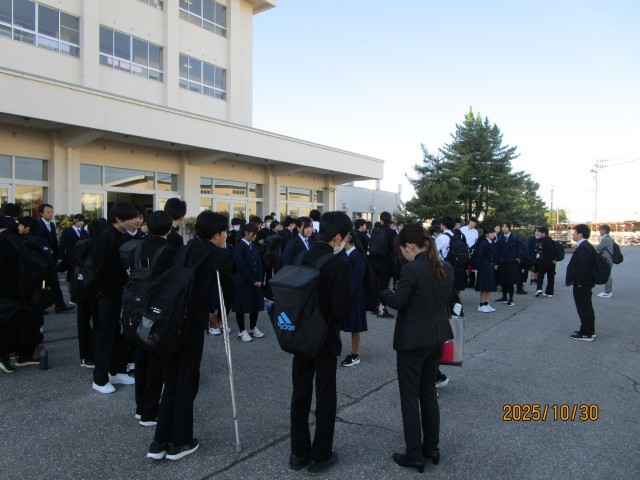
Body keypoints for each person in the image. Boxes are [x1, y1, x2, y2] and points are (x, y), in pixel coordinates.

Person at [148, 210, 234, 461]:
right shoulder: (218, 256)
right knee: (187, 380)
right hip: (190, 327)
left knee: (171, 382)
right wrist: (220, 315)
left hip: (169, 322)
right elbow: (228, 290)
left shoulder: (185, 249)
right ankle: (180, 441)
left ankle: (159, 442)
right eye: (225, 232)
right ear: (216, 234)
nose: (226, 236)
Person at [381, 223, 453, 472]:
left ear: (409, 246)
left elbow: (399, 301)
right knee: (428, 393)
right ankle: (432, 447)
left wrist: (384, 293)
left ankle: (413, 453)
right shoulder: (445, 267)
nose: (403, 255)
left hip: (413, 341)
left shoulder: (412, 270)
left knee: (410, 396)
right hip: (436, 337)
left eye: (403, 250)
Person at [289, 211, 351, 475]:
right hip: (325, 338)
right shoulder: (337, 265)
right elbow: (341, 310)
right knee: (325, 395)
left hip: (300, 336)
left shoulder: (300, 257)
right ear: (336, 237)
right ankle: (320, 456)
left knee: (300, 393)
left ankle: (298, 453)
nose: (344, 242)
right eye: (344, 238)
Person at [132, 211, 177, 427]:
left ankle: (140, 407)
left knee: (141, 357)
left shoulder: (139, 246)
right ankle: (149, 411)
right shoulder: (167, 250)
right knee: (155, 360)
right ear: (169, 228)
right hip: (156, 309)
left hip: (135, 304)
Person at [91, 201, 139, 394]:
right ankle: (99, 378)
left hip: (122, 294)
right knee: (106, 335)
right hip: (109, 295)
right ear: (118, 218)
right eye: (131, 218)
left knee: (121, 333)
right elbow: (99, 270)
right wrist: (109, 290)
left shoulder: (123, 236)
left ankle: (116, 370)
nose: (135, 221)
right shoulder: (105, 238)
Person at [71, 218, 108, 369]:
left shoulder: (80, 245)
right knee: (98, 323)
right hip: (96, 288)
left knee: (83, 323)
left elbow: (74, 266)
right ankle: (93, 356)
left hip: (81, 288)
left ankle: (84, 356)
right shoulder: (102, 246)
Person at [37, 203, 74, 313]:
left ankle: (59, 305)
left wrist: (58, 257)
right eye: (48, 212)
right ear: (41, 213)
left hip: (51, 259)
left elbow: (54, 242)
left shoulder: (52, 225)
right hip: (42, 259)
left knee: (55, 283)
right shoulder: (37, 225)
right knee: (42, 284)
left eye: (52, 212)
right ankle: (39, 306)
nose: (51, 214)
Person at [232, 222, 265, 342]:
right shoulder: (239, 247)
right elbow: (241, 267)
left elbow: (259, 264)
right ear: (246, 233)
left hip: (256, 281)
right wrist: (252, 281)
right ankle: (242, 330)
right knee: (241, 306)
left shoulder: (254, 246)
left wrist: (260, 279)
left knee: (255, 305)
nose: (255, 236)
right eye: (254, 233)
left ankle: (252, 328)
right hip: (243, 282)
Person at [339, 229, 367, 367]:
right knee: (337, 324)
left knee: (355, 327)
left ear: (348, 238)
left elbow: (356, 280)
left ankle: (354, 354)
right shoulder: (341, 254)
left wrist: (344, 295)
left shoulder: (358, 256)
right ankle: (336, 349)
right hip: (342, 295)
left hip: (355, 297)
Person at [566, 224, 597, 341]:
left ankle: (587, 333)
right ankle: (587, 330)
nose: (572, 235)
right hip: (585, 282)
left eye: (574, 233)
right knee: (585, 306)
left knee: (584, 307)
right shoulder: (585, 246)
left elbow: (583, 267)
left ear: (580, 234)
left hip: (582, 283)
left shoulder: (584, 247)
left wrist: (579, 282)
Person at [368, 211, 397, 318]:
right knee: (384, 287)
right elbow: (394, 249)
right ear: (390, 220)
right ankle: (382, 310)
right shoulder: (392, 232)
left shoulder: (375, 230)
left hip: (373, 262)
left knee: (376, 285)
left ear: (381, 219)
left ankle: (375, 306)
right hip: (385, 263)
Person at [58, 214, 89, 291]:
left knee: (81, 275)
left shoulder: (84, 232)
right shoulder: (67, 231)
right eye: (80, 220)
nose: (81, 223)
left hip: (82, 258)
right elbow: (62, 245)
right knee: (71, 276)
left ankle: (79, 291)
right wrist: (61, 257)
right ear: (75, 220)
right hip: (71, 257)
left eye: (83, 221)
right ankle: (71, 292)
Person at [496, 222, 522, 307]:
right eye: (503, 227)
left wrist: (519, 257)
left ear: (509, 228)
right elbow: (498, 250)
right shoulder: (500, 237)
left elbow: (519, 248)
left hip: (512, 262)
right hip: (502, 262)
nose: (504, 228)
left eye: (506, 227)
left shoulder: (514, 237)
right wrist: (497, 262)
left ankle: (511, 298)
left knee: (510, 281)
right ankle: (504, 297)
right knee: (503, 280)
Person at [473, 227, 498, 313]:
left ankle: (487, 303)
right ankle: (481, 305)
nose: (493, 234)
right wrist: (477, 267)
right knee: (484, 287)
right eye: (492, 233)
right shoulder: (483, 243)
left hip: (490, 266)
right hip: (484, 267)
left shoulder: (491, 242)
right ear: (487, 234)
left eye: (494, 232)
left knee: (489, 286)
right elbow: (479, 255)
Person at [534, 227, 557, 298]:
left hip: (545, 260)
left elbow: (550, 250)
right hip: (552, 262)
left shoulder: (544, 240)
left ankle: (539, 289)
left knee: (540, 275)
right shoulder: (550, 240)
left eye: (539, 232)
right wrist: (554, 259)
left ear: (543, 233)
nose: (538, 233)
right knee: (551, 276)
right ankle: (549, 292)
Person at [595, 224, 614, 297]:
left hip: (607, 259)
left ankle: (608, 292)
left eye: (600, 230)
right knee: (607, 274)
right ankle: (607, 291)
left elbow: (598, 248)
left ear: (603, 230)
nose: (599, 231)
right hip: (609, 259)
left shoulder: (605, 239)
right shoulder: (608, 238)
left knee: (607, 275)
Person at [460, 217, 479, 288]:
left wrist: (473, 248)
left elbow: (476, 241)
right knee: (464, 267)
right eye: (473, 222)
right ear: (470, 221)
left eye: (475, 223)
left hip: (472, 251)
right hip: (464, 250)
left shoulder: (475, 231)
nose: (474, 224)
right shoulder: (462, 229)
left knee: (471, 267)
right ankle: (464, 283)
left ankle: (472, 283)